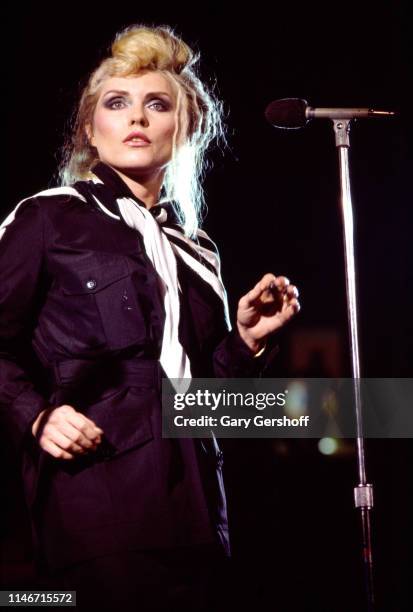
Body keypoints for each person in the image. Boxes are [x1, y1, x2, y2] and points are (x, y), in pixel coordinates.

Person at [0, 24, 300, 611]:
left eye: (156, 104)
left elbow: (214, 406)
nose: (136, 117)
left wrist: (245, 343)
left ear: (183, 128)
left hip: (200, 516)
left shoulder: (199, 250)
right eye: (117, 103)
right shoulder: (47, 218)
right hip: (97, 502)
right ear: (91, 128)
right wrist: (36, 416)